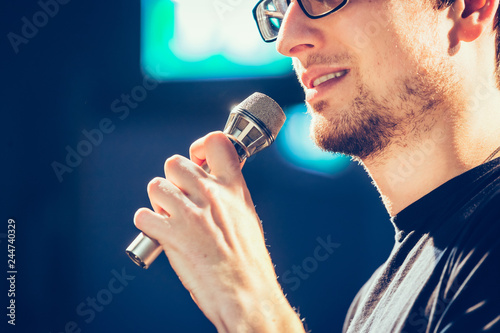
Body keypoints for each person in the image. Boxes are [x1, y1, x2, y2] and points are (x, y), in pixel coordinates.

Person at [133, 0, 500, 331]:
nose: (287, 40)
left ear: (469, 8)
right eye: (282, 6)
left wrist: (252, 308)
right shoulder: (370, 303)